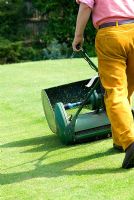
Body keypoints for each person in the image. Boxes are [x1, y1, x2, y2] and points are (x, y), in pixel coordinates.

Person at [72, 0, 134, 169]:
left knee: (116, 91)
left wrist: (78, 36)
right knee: (126, 91)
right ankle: (120, 140)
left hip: (111, 35)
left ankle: (130, 141)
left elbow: (85, 5)